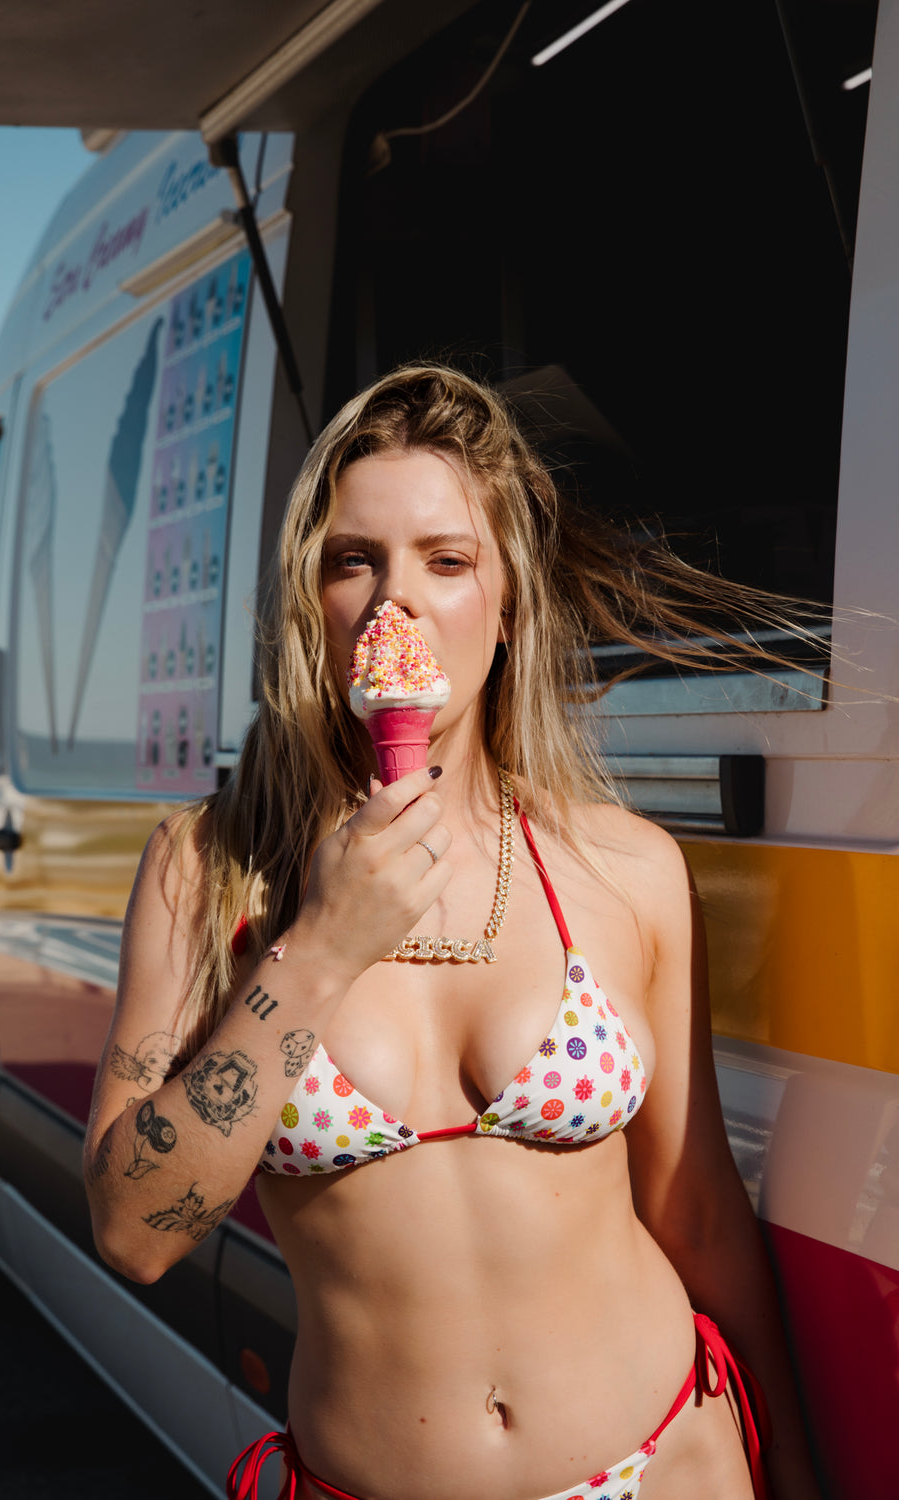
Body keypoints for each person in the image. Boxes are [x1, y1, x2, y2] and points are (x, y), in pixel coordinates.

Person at [84, 365, 821, 1500]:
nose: (397, 604)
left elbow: (698, 1212)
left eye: (446, 559)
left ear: (507, 599)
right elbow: (134, 1232)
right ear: (307, 602)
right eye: (352, 561)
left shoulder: (625, 870)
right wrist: (322, 945)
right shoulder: (210, 870)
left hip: (670, 1461)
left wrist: (800, 1476)